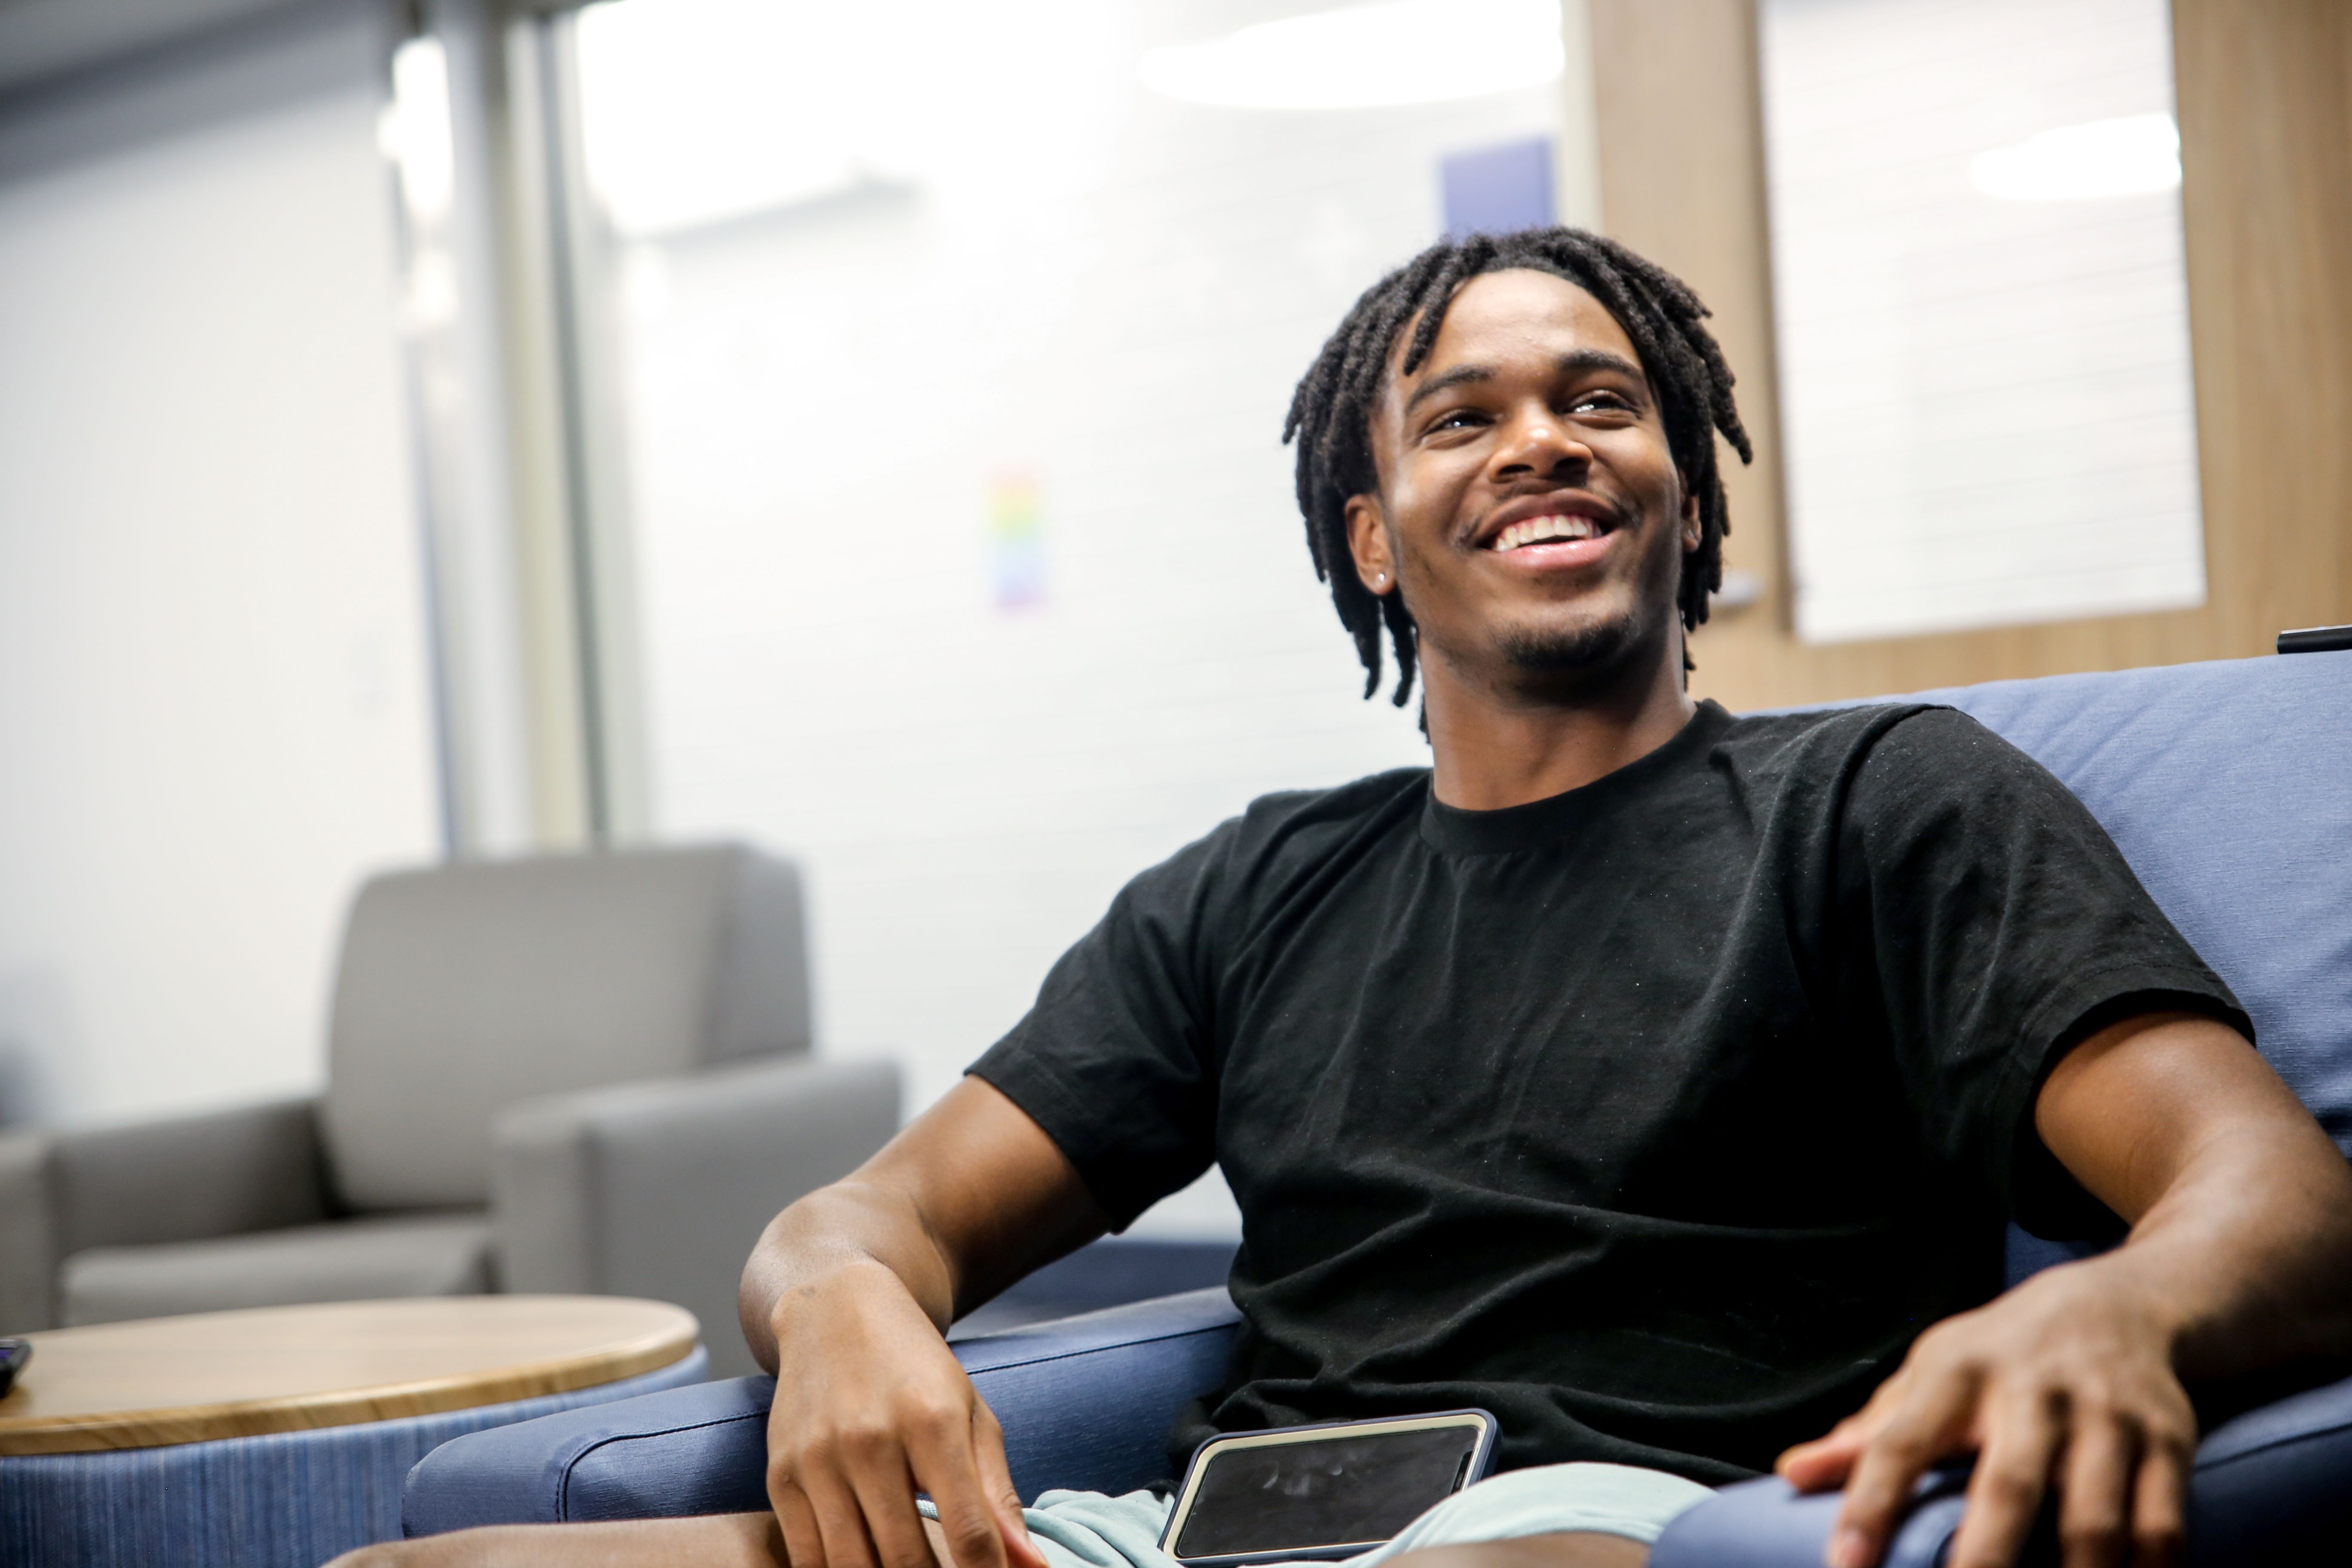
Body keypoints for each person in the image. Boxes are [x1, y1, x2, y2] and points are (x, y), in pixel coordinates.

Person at [345, 228, 2352, 1568]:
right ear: (1375, 537)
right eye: (1463, 417)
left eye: (1601, 397)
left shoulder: (1876, 807)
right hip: (1194, 1534)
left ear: (1682, 485)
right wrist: (845, 1300)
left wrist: (2122, 1303)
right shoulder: (1258, 887)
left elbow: (2275, 1194)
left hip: (1619, 1525)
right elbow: (869, 1214)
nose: (1544, 441)